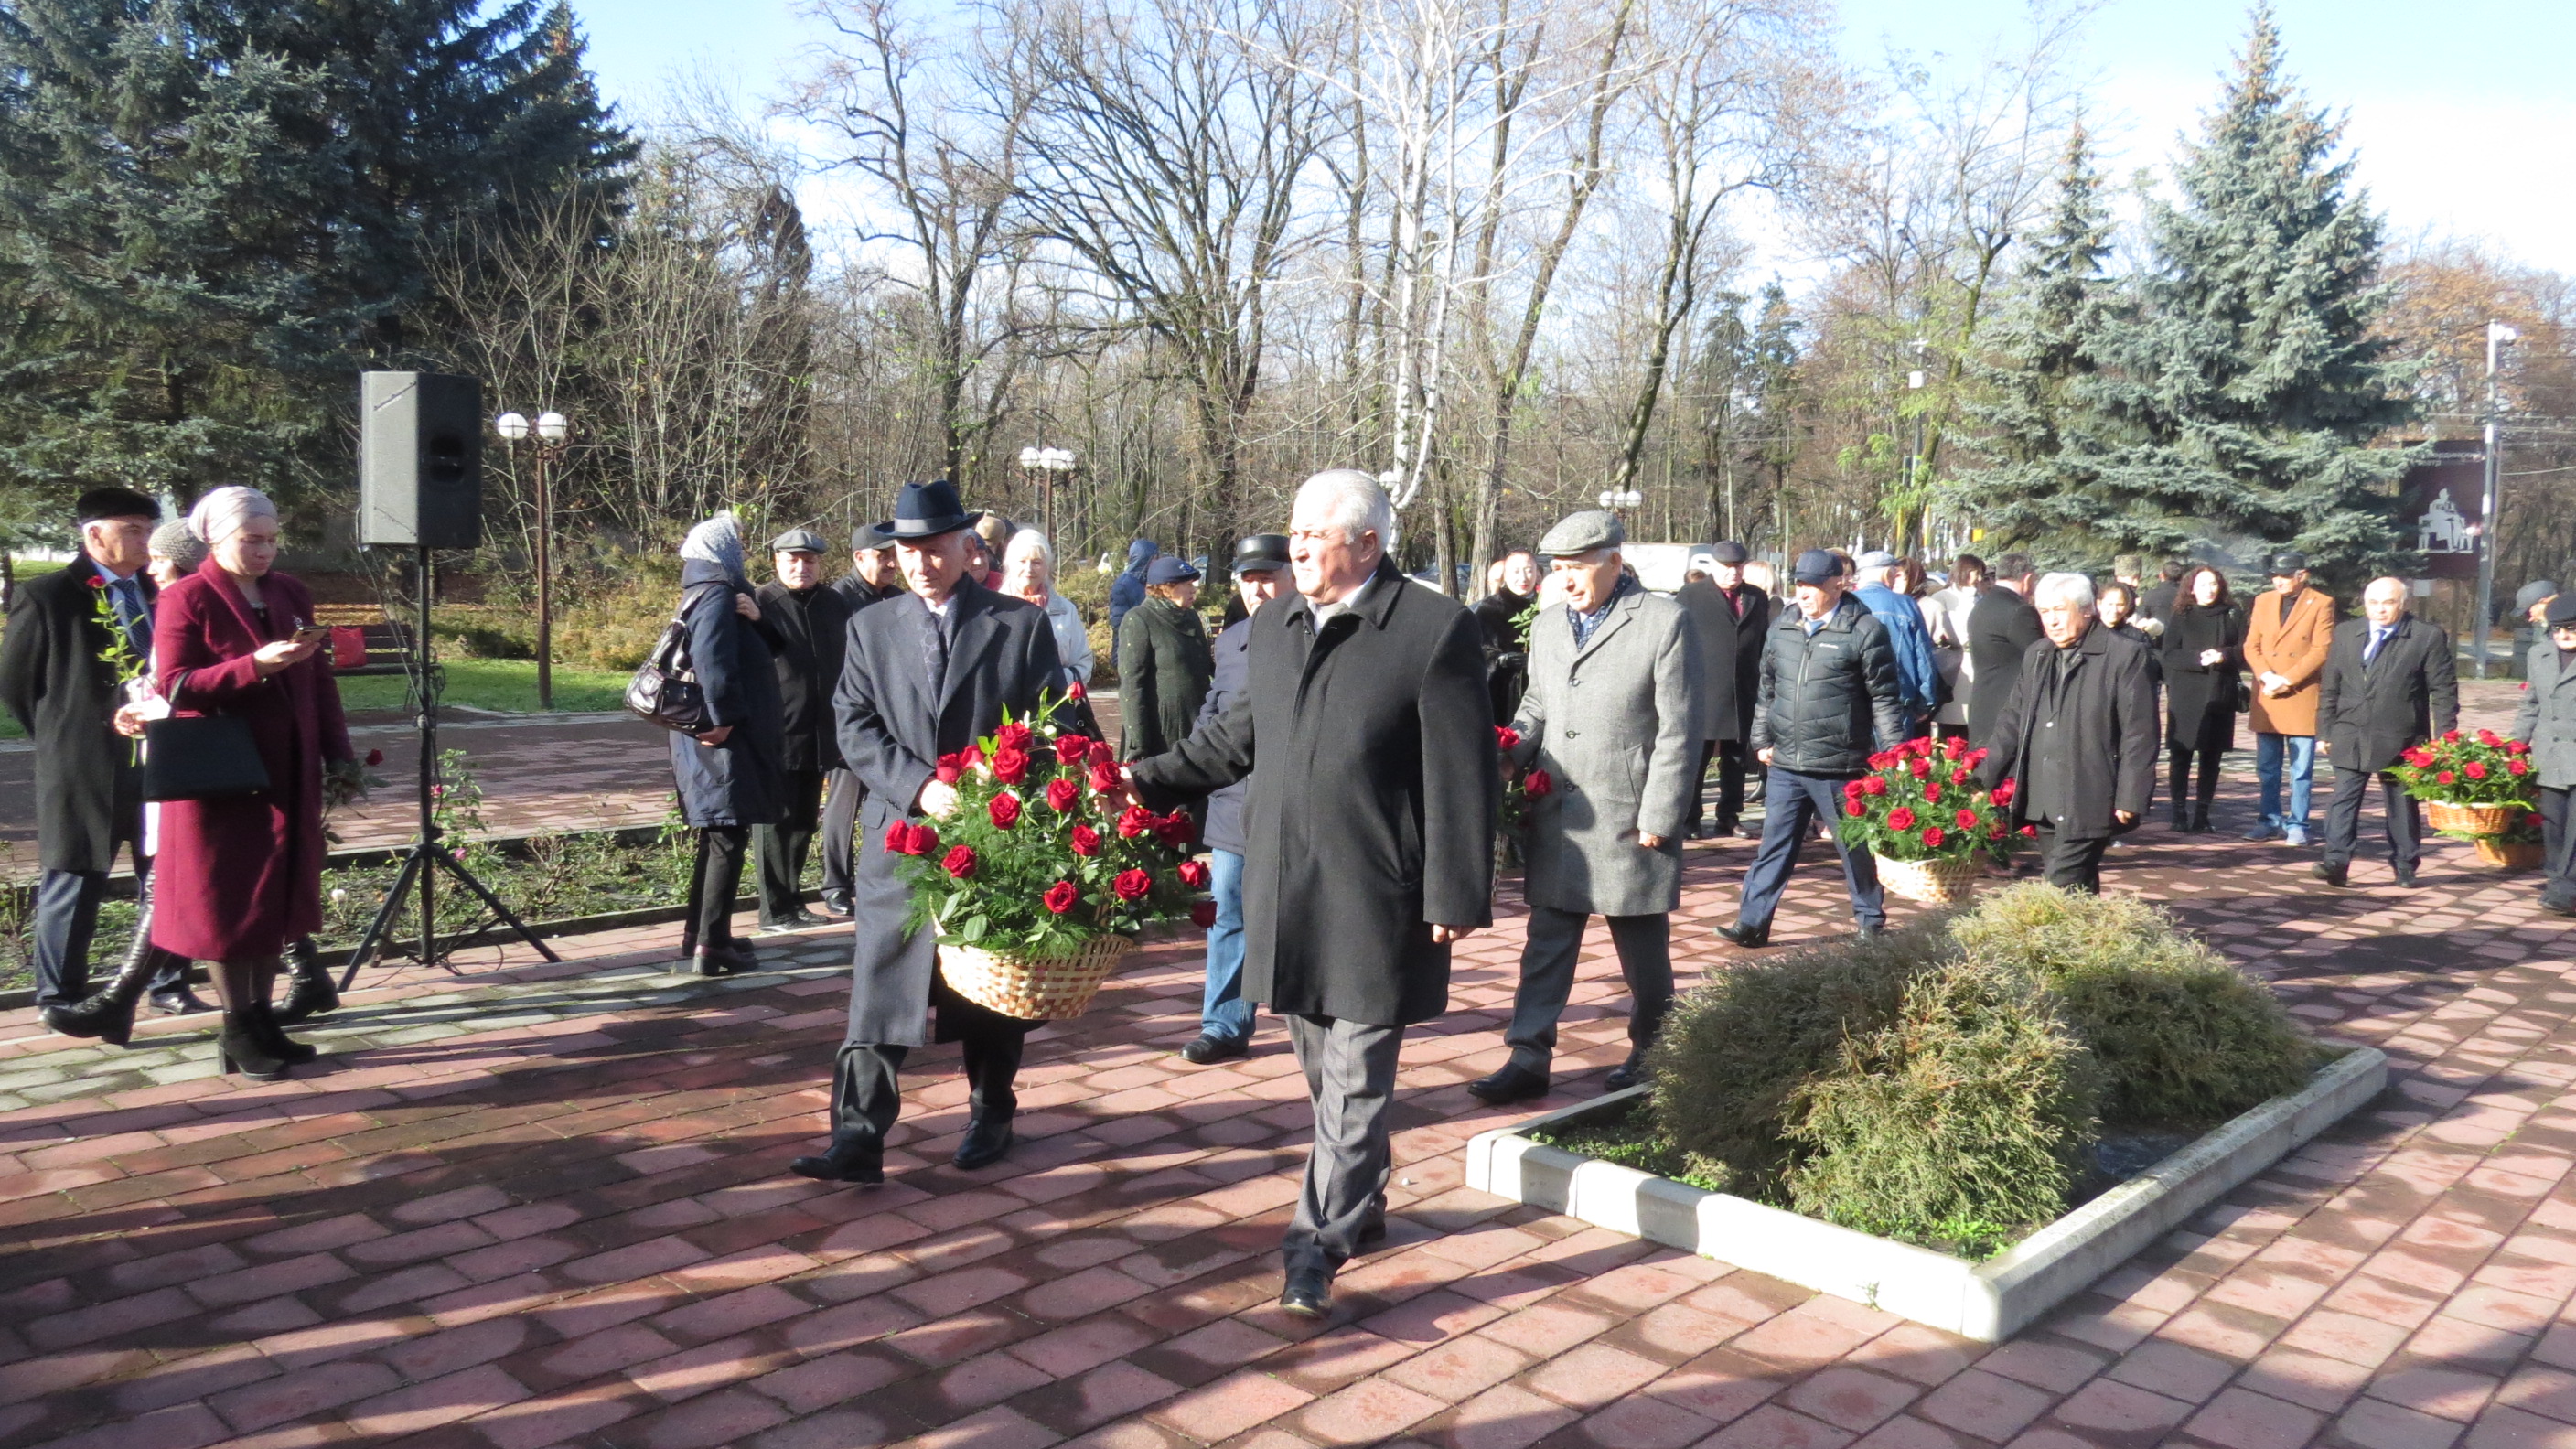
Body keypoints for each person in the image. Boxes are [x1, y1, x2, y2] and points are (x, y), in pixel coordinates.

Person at [1121, 468, 1495, 1319]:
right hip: (1287, 889)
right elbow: (1232, 740)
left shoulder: (1434, 630)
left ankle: (1312, 1247)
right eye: (1292, 529)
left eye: (1314, 533)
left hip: (1379, 894)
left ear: (1367, 543)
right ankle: (1361, 1205)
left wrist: (1455, 892)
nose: (1295, 546)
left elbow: (1463, 773)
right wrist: (1142, 783)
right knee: (1327, 1079)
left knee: (1359, 1079)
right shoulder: (1277, 624)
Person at [792, 479, 1067, 1186]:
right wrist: (919, 785)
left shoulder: (1017, 624)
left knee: (985, 990)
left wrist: (1014, 794)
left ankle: (991, 1112)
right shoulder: (870, 627)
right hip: (902, 834)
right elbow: (853, 725)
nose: (918, 563)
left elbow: (1052, 725)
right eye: (905, 551)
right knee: (881, 987)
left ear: (967, 549)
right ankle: (856, 1139)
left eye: (933, 549)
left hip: (990, 838)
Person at [1472, 510, 1700, 1104]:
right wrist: (1509, 753)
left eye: (1578, 569)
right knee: (1547, 938)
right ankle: (1528, 1055)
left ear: (1615, 563)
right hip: (1561, 814)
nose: (1566, 581)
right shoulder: (1549, 625)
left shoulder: (1663, 621)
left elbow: (1680, 729)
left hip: (1629, 814)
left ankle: (1655, 1049)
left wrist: (1659, 815)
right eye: (1559, 570)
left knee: (1641, 943)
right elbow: (1537, 703)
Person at [146, 487, 358, 1078]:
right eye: (251, 540)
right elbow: (175, 684)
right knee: (228, 903)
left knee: (274, 899)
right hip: (223, 777)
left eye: (271, 539)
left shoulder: (289, 591)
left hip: (288, 773)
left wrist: (337, 755)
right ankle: (236, 1025)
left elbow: (319, 682)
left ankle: (263, 1018)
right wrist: (254, 667)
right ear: (214, 538)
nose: (265, 551)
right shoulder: (187, 598)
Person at [6, 488, 207, 1040]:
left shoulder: (164, 592)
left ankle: (168, 985)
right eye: (135, 529)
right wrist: (68, 734)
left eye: (150, 528)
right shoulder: (48, 596)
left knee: (164, 875)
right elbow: (19, 686)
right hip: (83, 764)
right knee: (74, 876)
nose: (147, 540)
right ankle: (60, 995)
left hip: (160, 758)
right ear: (95, 534)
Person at [1716, 550, 1904, 949]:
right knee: (1774, 846)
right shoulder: (1783, 627)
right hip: (1786, 763)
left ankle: (1870, 921)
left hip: (1840, 764)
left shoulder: (1865, 631)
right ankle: (1751, 923)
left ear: (1839, 584)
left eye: (1814, 586)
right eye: (1800, 584)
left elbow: (1885, 699)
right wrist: (1761, 739)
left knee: (1853, 848)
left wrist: (1894, 758)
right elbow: (1768, 689)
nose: (1804, 593)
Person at [1177, 533, 1291, 1065]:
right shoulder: (1230, 641)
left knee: (1296, 912)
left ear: (1293, 576)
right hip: (1233, 803)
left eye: (1267, 576)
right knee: (1228, 912)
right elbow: (1214, 711)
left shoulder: (1318, 635)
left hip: (1294, 804)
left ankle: (1310, 1014)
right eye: (1248, 579)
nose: (1257, 588)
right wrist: (1180, 773)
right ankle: (1224, 1023)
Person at [1977, 574, 2158, 894]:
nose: (2052, 621)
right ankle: (2089, 942)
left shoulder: (2125, 655)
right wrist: (1982, 780)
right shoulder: (2038, 653)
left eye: (2060, 610)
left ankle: (2046, 943)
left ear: (2087, 610)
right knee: (2077, 890)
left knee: (2058, 887)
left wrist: (2131, 794)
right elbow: (2012, 720)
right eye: (2044, 612)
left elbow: (2139, 733)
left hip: (2089, 794)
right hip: (2043, 795)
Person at [668, 514, 787, 973]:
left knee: (719, 834)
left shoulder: (716, 592)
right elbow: (712, 658)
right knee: (726, 836)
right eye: (736, 543)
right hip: (722, 739)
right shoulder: (716, 593)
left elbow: (763, 649)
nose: (744, 550)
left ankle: (699, 935)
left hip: (722, 736)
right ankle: (712, 946)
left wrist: (759, 618)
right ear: (720, 550)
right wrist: (724, 719)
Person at [2315, 577, 2457, 888]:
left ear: (2403, 604)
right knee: (2343, 799)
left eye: (2388, 602)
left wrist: (2445, 741)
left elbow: (2443, 691)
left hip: (2402, 736)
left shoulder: (2425, 637)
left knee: (2401, 804)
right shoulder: (2346, 633)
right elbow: (2330, 686)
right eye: (2373, 603)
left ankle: (2405, 864)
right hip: (2350, 731)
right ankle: (2336, 861)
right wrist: (2324, 730)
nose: (2379, 610)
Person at [752, 529, 851, 932]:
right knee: (775, 821)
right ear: (776, 560)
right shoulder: (760, 603)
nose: (801, 567)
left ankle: (793, 901)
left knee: (805, 820)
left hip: (820, 730)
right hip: (777, 729)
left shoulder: (833, 604)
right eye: (792, 559)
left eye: (809, 560)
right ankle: (773, 909)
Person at [821, 522, 902, 917]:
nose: (891, 563)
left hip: (894, 719)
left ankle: (885, 876)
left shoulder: (900, 598)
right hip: (853, 720)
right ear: (859, 558)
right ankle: (835, 884)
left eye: (893, 555)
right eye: (882, 555)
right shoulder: (837, 600)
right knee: (844, 803)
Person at [2242, 551, 2336, 845]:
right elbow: (2251, 645)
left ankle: (2298, 823)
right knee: (2267, 768)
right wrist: (2265, 675)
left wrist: (2287, 679)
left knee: (2300, 771)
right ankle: (2268, 820)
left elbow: (2321, 649)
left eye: (2284, 575)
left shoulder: (2322, 603)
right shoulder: (2263, 601)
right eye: (2274, 576)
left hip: (2300, 694)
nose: (2278, 581)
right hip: (2268, 694)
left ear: (2302, 575)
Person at [1674, 541, 1766, 838]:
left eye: (1738, 567)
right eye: (1726, 567)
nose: (1733, 572)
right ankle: (1689, 818)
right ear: (1713, 566)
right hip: (1703, 689)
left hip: (1743, 690)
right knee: (1697, 758)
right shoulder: (1691, 595)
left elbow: (1762, 641)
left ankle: (1729, 815)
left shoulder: (1757, 597)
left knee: (1736, 758)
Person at [2159, 564, 2243, 832]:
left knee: (2211, 756)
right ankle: (2179, 813)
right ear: (2191, 588)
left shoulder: (2232, 614)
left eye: (2213, 584)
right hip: (2186, 693)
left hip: (2220, 690)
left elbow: (2246, 649)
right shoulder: (2181, 614)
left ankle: (2203, 815)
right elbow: (2169, 654)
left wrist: (2224, 656)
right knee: (2181, 755)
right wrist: (2198, 659)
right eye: (2203, 584)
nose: (2209, 590)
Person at [1117, 555, 1213, 764]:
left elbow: (1207, 668)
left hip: (1196, 727)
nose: (1193, 590)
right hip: (1160, 733)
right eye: (1187, 584)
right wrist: (1138, 742)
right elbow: (1132, 685)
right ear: (1166, 587)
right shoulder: (1139, 619)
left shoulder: (1191, 617)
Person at [2517, 595, 2576, 915]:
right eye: (2557, 629)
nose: (2564, 636)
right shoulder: (2538, 654)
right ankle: (2557, 880)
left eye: (2571, 629)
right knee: (2553, 826)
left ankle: (2565, 890)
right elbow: (2531, 705)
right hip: (2550, 756)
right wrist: (2515, 745)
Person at [1852, 549, 1938, 735]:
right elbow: (1922, 656)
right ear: (1886, 573)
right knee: (1893, 761)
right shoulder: (1905, 605)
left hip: (1854, 703)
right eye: (1895, 574)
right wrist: (1925, 701)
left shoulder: (1847, 604)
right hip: (1898, 702)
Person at [1001, 529, 1096, 692]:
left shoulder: (1066, 610)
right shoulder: (995, 609)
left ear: (1047, 567)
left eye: (1037, 562)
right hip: (1006, 709)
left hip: (1055, 705)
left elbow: (1083, 663)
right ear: (1009, 564)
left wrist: (1054, 682)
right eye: (1022, 561)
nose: (1029, 568)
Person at [1967, 552, 2043, 748]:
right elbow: (2042, 657)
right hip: (2008, 711)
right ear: (2027, 579)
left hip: (1983, 705)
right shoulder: (2018, 611)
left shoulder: (1982, 605)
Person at [1473, 549, 1540, 726]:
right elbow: (1475, 652)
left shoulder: (1545, 605)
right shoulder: (1490, 609)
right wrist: (1500, 660)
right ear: (1506, 575)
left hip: (1537, 689)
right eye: (1516, 572)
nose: (1523, 578)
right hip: (1501, 691)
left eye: (1529, 570)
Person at [1923, 554, 1985, 740]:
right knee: (1951, 721)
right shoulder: (1943, 597)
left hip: (1976, 664)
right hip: (1954, 666)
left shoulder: (1980, 598)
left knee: (1971, 722)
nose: (1980, 579)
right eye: (1976, 573)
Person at [832, 522, 901, 612]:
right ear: (860, 558)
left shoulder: (897, 596)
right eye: (884, 557)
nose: (892, 564)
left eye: (895, 555)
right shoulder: (839, 597)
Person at [1108, 538, 1158, 636]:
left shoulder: (1151, 581)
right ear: (1144, 560)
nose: (1156, 562)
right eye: (1154, 558)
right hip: (1130, 643)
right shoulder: (1123, 585)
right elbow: (1120, 624)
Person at [2139, 561, 2184, 628]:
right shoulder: (2186, 597)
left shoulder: (2150, 595)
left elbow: (2141, 618)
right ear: (2181, 578)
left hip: (2155, 635)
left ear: (2161, 575)